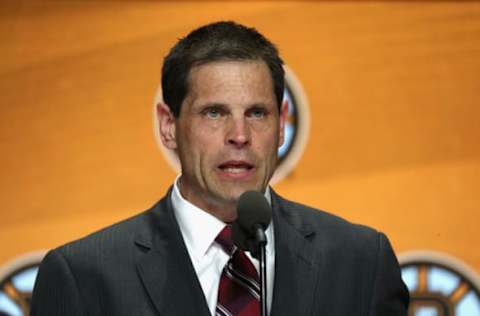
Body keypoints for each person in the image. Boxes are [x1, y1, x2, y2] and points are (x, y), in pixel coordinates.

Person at [30, 21, 409, 316]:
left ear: (281, 126)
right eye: (215, 113)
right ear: (168, 125)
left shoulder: (359, 262)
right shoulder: (84, 277)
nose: (239, 135)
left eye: (257, 113)